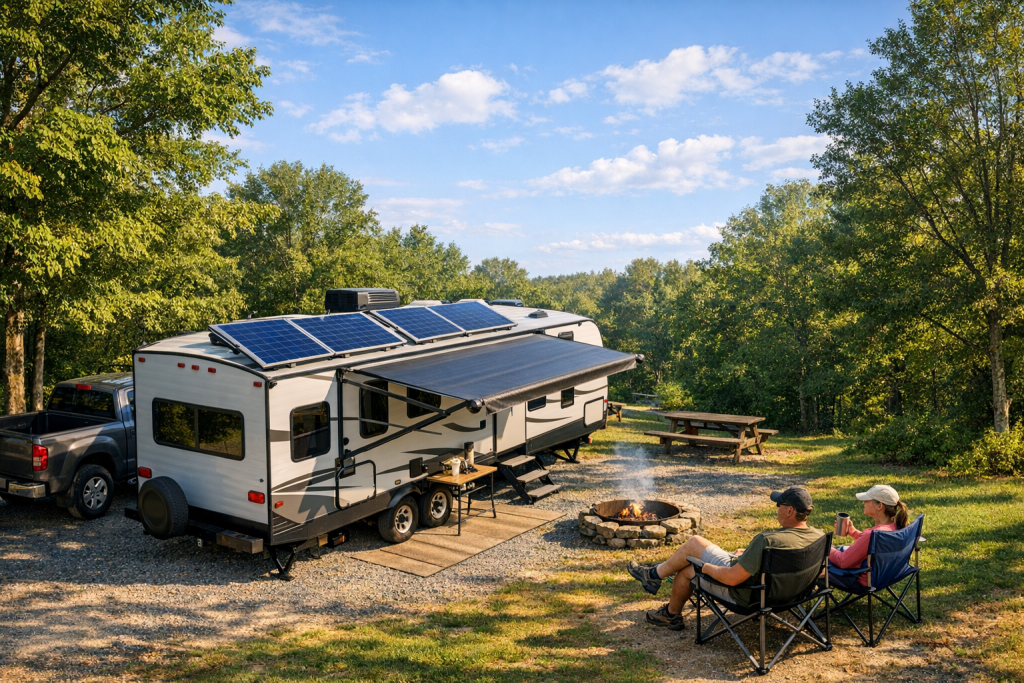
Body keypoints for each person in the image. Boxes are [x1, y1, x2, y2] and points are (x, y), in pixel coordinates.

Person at [626, 486, 823, 630]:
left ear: (790, 511)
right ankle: (669, 613)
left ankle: (653, 575)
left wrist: (703, 567)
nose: (776, 507)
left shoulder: (767, 541)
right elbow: (821, 571)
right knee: (687, 569)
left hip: (749, 597)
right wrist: (750, 556)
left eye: (779, 504)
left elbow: (732, 579)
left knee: (694, 546)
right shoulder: (819, 537)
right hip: (790, 595)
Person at [828, 484, 910, 590]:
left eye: (867, 500)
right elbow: (874, 544)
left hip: (859, 580)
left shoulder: (871, 534)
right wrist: (853, 532)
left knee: (817, 558)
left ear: (879, 506)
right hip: (884, 577)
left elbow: (842, 561)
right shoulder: (895, 527)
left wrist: (824, 547)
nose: (864, 502)